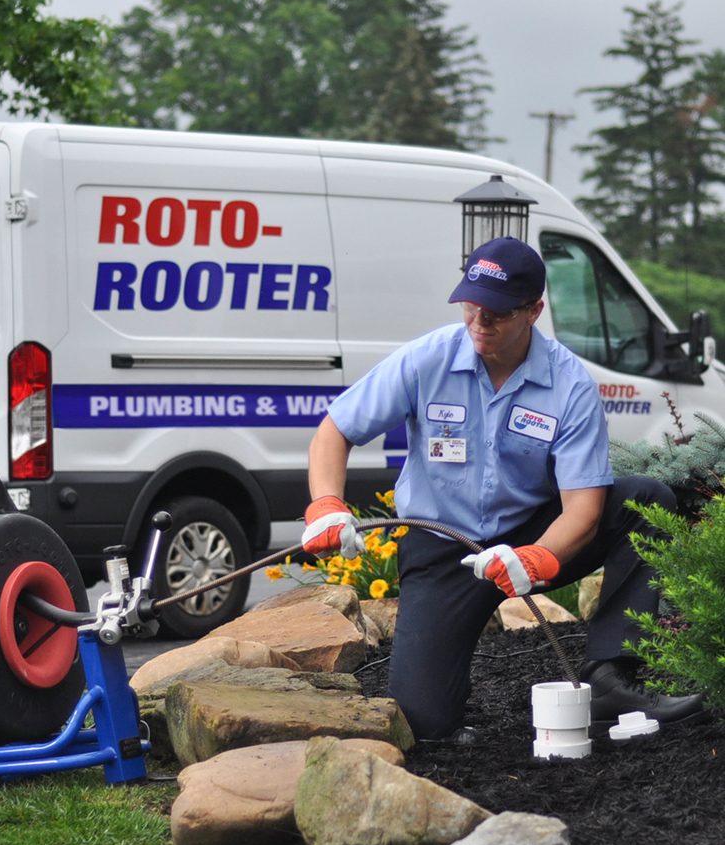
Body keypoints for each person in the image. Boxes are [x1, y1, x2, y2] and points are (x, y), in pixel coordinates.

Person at [301, 236, 707, 741]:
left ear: (534, 311)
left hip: (534, 531)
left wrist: (535, 558)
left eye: (496, 312)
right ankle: (442, 691)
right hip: (443, 547)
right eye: (471, 306)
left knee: (645, 501)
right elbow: (334, 432)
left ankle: (610, 678)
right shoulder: (426, 360)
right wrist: (326, 504)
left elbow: (583, 509)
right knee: (424, 723)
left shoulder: (569, 385)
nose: (479, 322)